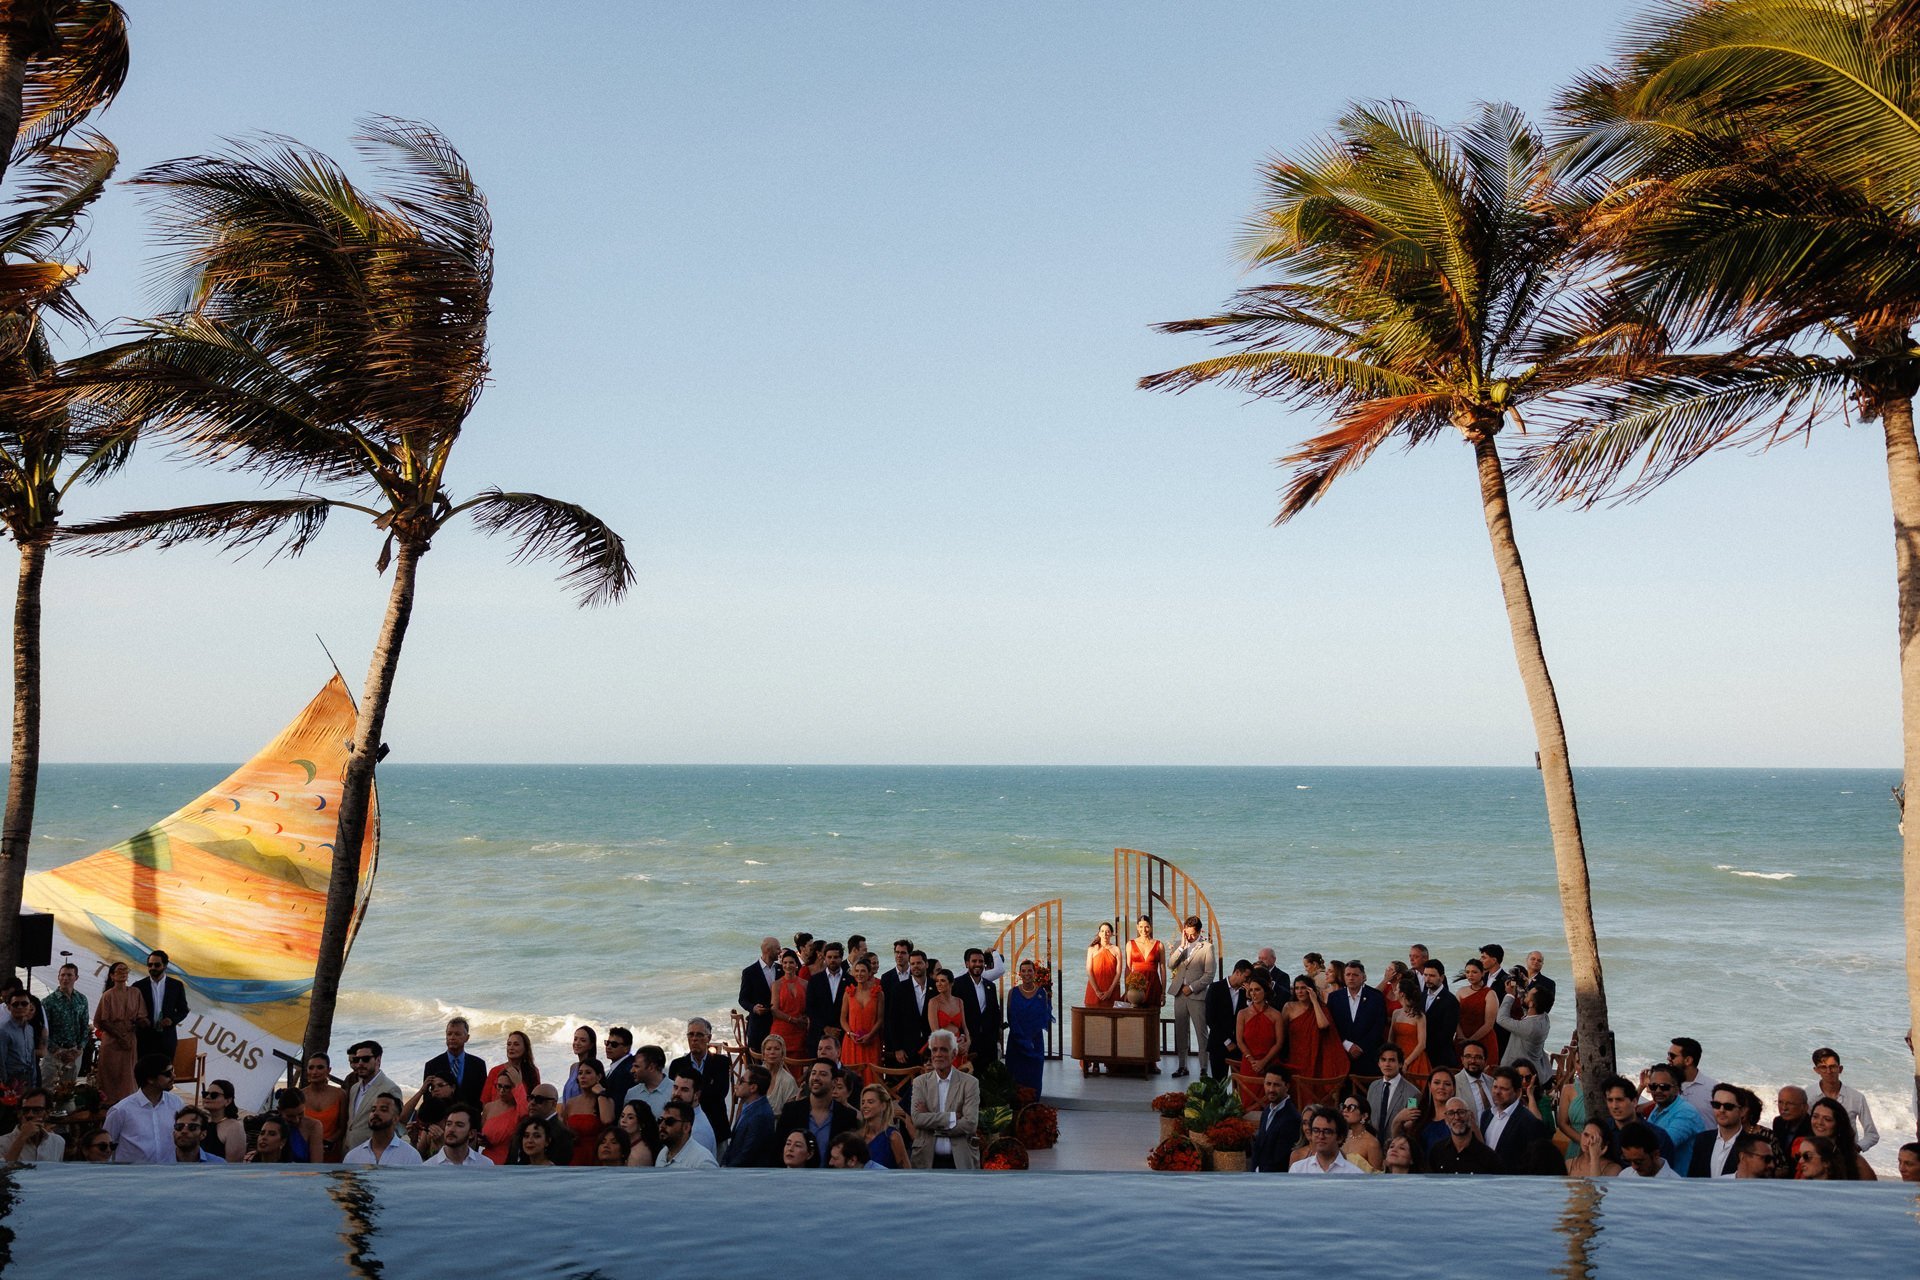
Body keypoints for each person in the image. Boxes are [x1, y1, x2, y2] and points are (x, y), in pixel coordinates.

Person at [909, 1030, 978, 1170]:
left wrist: (932, 1121)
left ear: (954, 1054)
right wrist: (951, 1117)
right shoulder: (920, 1083)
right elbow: (917, 1119)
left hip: (960, 1159)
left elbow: (970, 1123)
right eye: (934, 1050)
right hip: (926, 1159)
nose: (938, 1054)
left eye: (943, 1050)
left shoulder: (970, 1083)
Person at [779, 1061, 860, 1167]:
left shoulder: (847, 1116)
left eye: (823, 1074)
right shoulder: (791, 1110)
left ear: (834, 1082)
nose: (816, 1078)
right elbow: (778, 1149)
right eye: (813, 1073)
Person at [105, 1054, 182, 1163]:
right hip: (134, 1176)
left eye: (172, 1070)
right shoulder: (121, 1110)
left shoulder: (177, 1103)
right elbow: (105, 1147)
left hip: (168, 1174)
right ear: (150, 1079)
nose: (173, 1076)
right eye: (167, 1074)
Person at [1166, 916, 1214, 1078]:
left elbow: (1209, 975)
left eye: (1193, 934)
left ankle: (1203, 1068)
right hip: (1179, 994)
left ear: (1199, 931)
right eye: (1187, 933)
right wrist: (1181, 947)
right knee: (1181, 1031)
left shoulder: (1207, 948)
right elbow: (1171, 964)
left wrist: (1192, 988)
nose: (1190, 936)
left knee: (1201, 1032)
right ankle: (1182, 1066)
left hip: (1196, 995)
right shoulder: (1181, 945)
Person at [91, 961, 143, 1106]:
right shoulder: (107, 995)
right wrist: (120, 1037)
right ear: (112, 976)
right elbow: (103, 1021)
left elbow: (141, 1016)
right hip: (112, 1040)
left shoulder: (135, 992)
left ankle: (129, 1106)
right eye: (119, 971)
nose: (122, 973)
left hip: (129, 1038)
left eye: (125, 970)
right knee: (110, 1076)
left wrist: (141, 1024)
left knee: (128, 1075)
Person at [1810, 1047, 1880, 1152]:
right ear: (1816, 1070)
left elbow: (1872, 1134)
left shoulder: (1856, 1097)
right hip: (1816, 1155)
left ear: (1840, 1069)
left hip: (1847, 1156)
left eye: (1832, 1067)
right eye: (1823, 1067)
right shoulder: (1808, 1095)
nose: (1828, 1071)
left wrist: (1857, 1148)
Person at [1483, 1065, 1550, 1174]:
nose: (1497, 1092)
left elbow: (1536, 1163)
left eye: (1504, 1089)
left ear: (1518, 1092)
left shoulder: (1529, 1123)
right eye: (1495, 1087)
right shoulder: (1486, 1116)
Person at [1230, 974, 1282, 1109]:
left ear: (1265, 991)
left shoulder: (1276, 1015)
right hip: (1249, 1064)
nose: (1253, 993)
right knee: (1247, 1103)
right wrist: (1251, 1060)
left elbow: (1279, 1042)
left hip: (1270, 1064)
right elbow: (1239, 1040)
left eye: (1257, 989)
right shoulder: (1243, 1014)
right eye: (1251, 990)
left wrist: (1263, 1062)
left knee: (1270, 1103)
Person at [341, 1040, 402, 1155]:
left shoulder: (390, 1089)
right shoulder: (354, 1088)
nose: (360, 1063)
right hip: (349, 1153)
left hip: (373, 1154)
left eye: (365, 1059)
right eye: (356, 1059)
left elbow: (393, 1125)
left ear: (378, 1060)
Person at [1642, 1063, 1704, 1172]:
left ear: (1676, 1089)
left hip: (1679, 1182)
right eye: (1653, 1086)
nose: (1658, 1091)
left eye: (1664, 1087)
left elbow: (1663, 1145)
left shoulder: (1686, 1112)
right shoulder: (1658, 1107)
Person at [1004, 959, 1053, 1096]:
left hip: (1035, 1042)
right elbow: (1011, 1017)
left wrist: (1030, 1040)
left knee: (1034, 1077)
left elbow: (1044, 1017)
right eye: (1023, 971)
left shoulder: (1042, 993)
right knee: (1015, 1077)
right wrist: (1021, 1039)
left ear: (1034, 972)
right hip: (1016, 1042)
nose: (1026, 974)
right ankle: (1016, 1110)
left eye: (1029, 970)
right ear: (1019, 973)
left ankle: (1033, 1108)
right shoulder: (1012, 992)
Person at [131, 949, 188, 1065]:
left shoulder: (176, 986)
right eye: (150, 965)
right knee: (144, 1075)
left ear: (165, 965)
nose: (153, 968)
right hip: (144, 1039)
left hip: (166, 1039)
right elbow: (131, 1010)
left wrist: (171, 1020)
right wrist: (140, 1020)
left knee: (163, 1074)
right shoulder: (138, 986)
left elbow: (183, 1010)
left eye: (157, 965)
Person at [1328, 960, 1387, 1068]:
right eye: (1348, 974)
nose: (1351, 978)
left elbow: (1379, 1025)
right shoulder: (1334, 998)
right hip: (1342, 1053)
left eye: (1355, 975)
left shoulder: (1375, 997)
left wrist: (1361, 1047)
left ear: (1363, 977)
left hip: (1369, 1053)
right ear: (1344, 976)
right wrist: (1348, 1045)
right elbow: (1332, 1025)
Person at [39, 962, 86, 1098]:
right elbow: (44, 1030)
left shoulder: (82, 1000)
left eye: (69, 975)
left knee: (68, 1090)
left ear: (76, 978)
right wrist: (57, 1051)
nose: (65, 978)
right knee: (48, 1089)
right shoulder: (48, 1002)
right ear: (58, 977)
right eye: (63, 975)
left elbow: (84, 1026)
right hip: (53, 1054)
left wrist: (79, 1049)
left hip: (74, 1053)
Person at [882, 949, 932, 1069]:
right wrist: (897, 1048)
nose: (915, 966)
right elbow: (893, 1020)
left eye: (919, 963)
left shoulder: (935, 987)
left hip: (930, 1045)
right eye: (913, 964)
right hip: (907, 1046)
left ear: (926, 964)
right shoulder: (899, 988)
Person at [343, 1091, 422, 1166]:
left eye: (383, 1110)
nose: (376, 1113)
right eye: (373, 1110)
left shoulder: (410, 1156)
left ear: (395, 1119)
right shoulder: (352, 1157)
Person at [560, 1056, 614, 1166]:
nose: (583, 1077)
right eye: (580, 1073)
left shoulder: (606, 1100)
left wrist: (600, 1094)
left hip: (595, 1154)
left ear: (598, 1076)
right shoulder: (571, 1102)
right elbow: (563, 1128)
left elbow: (607, 1120)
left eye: (588, 1073)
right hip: (574, 1154)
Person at [839, 956, 884, 1085]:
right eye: (857, 971)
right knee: (850, 1081)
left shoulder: (878, 993)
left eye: (863, 971)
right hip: (852, 1042)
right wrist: (849, 1033)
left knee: (872, 1079)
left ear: (870, 973)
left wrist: (870, 1035)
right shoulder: (849, 993)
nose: (859, 974)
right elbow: (842, 1019)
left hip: (871, 1041)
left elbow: (880, 1019)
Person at [424, 1016, 486, 1109]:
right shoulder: (432, 1065)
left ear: (467, 1038)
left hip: (470, 1117)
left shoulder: (478, 1064)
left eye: (457, 1034)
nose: (452, 1038)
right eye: (449, 1034)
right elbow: (428, 1097)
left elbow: (483, 1097)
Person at [955, 947, 1003, 1067]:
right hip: (968, 1041)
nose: (978, 964)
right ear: (967, 964)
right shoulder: (957, 985)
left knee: (988, 1079)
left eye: (981, 961)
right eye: (974, 961)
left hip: (988, 1042)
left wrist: (996, 1035)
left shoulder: (990, 986)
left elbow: (995, 1012)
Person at [1808, 1095, 1875, 1180]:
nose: (1819, 1122)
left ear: (1838, 1124)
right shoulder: (1805, 1154)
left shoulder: (1855, 1162)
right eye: (1815, 1116)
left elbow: (1871, 1190)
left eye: (1827, 1119)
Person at [723, 1065, 778, 1167]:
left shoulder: (761, 1116)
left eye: (741, 1081)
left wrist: (728, 1170)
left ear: (753, 1088)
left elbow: (748, 1153)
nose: (737, 1085)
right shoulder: (746, 1106)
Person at [1429, 1098, 1502, 1174]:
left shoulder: (1488, 1157)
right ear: (1446, 1120)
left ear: (1470, 1116)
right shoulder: (1437, 1152)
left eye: (1461, 1112)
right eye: (1451, 1113)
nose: (1457, 1117)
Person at [1688, 1083, 1746, 1178]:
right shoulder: (1702, 1139)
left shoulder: (1751, 1146)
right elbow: (1693, 1177)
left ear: (1742, 1111)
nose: (1721, 1110)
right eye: (1716, 1105)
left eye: (1728, 1106)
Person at [1248, 1070, 1301, 1173]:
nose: (1271, 1089)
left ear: (1287, 1086)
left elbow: (1280, 1159)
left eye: (1276, 1085)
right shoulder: (1267, 1111)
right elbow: (1259, 1146)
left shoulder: (1292, 1118)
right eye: (1268, 1084)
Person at [1206, 960, 1251, 1082]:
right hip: (1219, 1043)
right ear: (1237, 972)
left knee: (1241, 1082)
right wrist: (1227, 1041)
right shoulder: (1215, 988)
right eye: (1245, 977)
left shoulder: (1245, 992)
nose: (1247, 982)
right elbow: (1210, 1018)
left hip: (1239, 1044)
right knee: (1219, 1082)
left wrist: (1249, 998)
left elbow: (1249, 1016)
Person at [804, 941, 850, 1056]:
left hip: (842, 1035)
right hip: (818, 1035)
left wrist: (839, 1029)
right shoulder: (815, 980)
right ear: (824, 958)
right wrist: (825, 1028)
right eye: (829, 957)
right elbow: (810, 1008)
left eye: (836, 957)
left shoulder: (850, 981)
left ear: (841, 958)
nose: (832, 960)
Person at [1367, 1044, 1419, 1144]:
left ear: (1400, 1064)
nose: (1387, 1064)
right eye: (1383, 1060)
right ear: (1378, 1063)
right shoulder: (1373, 1087)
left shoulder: (1413, 1094)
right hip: (1372, 1145)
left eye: (1392, 1060)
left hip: (1397, 1146)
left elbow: (1410, 1125)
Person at [1290, 1105, 1364, 1174]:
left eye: (1327, 1132)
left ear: (1340, 1138)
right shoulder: (1298, 1169)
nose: (1321, 1136)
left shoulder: (1354, 1174)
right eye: (1316, 1131)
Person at [480, 1060, 528, 1165]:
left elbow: (525, 1113)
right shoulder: (489, 1107)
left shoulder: (518, 1109)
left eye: (507, 1087)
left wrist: (518, 1084)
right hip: (486, 1158)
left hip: (509, 1159)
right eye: (499, 1086)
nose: (502, 1090)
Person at [302, 1052, 348, 1160]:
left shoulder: (340, 1094)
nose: (314, 1072)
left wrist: (328, 1142)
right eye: (311, 1068)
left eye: (320, 1067)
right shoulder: (300, 1095)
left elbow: (343, 1127)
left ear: (328, 1070)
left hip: (331, 1151)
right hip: (305, 1152)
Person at [1387, 971, 1430, 1083]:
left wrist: (1406, 1062)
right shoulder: (1396, 1013)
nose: (1394, 991)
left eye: (1396, 989)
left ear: (1402, 994)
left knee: (1413, 1095)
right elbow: (1391, 1039)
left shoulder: (1419, 1016)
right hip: (1398, 1057)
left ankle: (1414, 1102)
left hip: (1414, 1058)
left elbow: (1422, 1044)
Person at [1417, 960, 1460, 1072]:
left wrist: (1424, 1045)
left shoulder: (1450, 1001)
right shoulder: (1421, 996)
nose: (1427, 979)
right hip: (1421, 1054)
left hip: (1440, 1057)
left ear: (1441, 978)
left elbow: (1447, 1033)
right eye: (1425, 975)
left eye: (1432, 975)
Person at [1455, 959, 1500, 1064]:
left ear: (1483, 973)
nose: (1470, 975)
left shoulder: (1490, 994)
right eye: (1467, 972)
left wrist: (1470, 1040)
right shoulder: (1461, 991)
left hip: (1483, 1039)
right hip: (1461, 1038)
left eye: (1474, 972)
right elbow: (1455, 1017)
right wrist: (1461, 1035)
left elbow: (1489, 1024)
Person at [740, 936, 781, 1051]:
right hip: (758, 1026)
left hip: (778, 1024)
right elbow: (742, 999)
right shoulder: (749, 972)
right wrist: (753, 1008)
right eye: (777, 949)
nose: (780, 951)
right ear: (768, 950)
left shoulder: (781, 970)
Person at [1496, 983, 1551, 1069]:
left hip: (1519, 1071)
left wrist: (1510, 995)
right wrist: (1522, 986)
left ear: (1531, 1004)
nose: (1526, 994)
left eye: (1528, 994)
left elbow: (1501, 1019)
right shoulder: (1544, 1017)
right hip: (1536, 1065)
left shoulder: (1530, 1027)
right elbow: (1528, 1010)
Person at [925, 968, 970, 1071]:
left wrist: (968, 1043)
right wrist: (955, 1046)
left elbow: (964, 1027)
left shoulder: (959, 1001)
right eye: (937, 981)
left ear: (951, 983)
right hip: (942, 1046)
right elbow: (935, 1031)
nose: (938, 984)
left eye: (942, 981)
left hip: (959, 1045)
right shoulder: (933, 1002)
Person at [1, 1087, 62, 1162]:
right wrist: (22, 1137)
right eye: (25, 1110)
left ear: (47, 1113)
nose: (30, 1115)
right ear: (19, 1114)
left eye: (37, 1110)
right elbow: (3, 1170)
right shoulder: (3, 1143)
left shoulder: (57, 1142)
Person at [857, 1082, 909, 1169]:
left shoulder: (893, 1137)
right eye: (863, 1103)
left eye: (870, 1102)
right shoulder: (859, 1136)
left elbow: (906, 1172)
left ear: (883, 1106)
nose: (864, 1106)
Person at [1667, 1037, 1717, 1125]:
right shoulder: (1666, 1086)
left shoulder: (1713, 1089)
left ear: (1688, 1060)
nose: (1668, 1058)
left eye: (1672, 1056)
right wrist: (1642, 1086)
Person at [655, 1099, 718, 1169]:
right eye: (660, 1120)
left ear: (686, 1127)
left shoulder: (702, 1162)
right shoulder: (663, 1154)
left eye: (670, 1121)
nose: (662, 1125)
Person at [424, 1102, 490, 1167]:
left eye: (459, 1125)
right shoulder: (429, 1166)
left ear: (471, 1133)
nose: (451, 1129)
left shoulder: (485, 1164)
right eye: (448, 1124)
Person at [772, 950, 810, 1059]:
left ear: (796, 965)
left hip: (800, 1031)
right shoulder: (776, 985)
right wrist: (792, 1020)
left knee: (799, 1065)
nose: (788, 966)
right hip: (781, 1030)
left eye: (791, 962)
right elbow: (774, 1010)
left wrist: (806, 1020)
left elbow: (809, 1007)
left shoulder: (805, 984)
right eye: (785, 963)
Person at [1123, 916, 1165, 1013]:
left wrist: (1163, 993)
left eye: (1146, 927)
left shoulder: (1159, 945)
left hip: (1153, 983)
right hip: (1136, 984)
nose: (1144, 930)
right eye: (1141, 927)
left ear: (1151, 927)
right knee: (1135, 1017)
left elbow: (1162, 969)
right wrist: (1126, 990)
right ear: (1137, 927)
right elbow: (1128, 968)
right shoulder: (1130, 944)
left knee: (1153, 1016)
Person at [0, 990, 39, 1092]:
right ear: (9, 1007)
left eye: (24, 1003)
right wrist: (5, 1084)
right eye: (15, 1004)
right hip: (11, 1080)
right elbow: (1, 1060)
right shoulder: (3, 1030)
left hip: (28, 1079)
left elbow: (32, 1056)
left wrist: (34, 1081)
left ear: (30, 1006)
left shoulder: (30, 1029)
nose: (20, 1007)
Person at [1771, 1085, 1814, 1176]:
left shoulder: (1813, 1126)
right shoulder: (1778, 1122)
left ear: (1804, 1107)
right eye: (1780, 1102)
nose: (1784, 1108)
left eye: (1789, 1103)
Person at [201, 1078, 247, 1163]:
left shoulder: (234, 1127)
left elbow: (232, 1166)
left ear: (228, 1101)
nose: (207, 1097)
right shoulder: (201, 1123)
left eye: (214, 1095)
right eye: (205, 1094)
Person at [276, 1087, 327, 1164]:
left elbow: (316, 1164)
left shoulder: (313, 1126)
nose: (296, 1120)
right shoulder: (271, 1125)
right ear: (279, 1111)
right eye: (290, 1116)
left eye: (300, 1114)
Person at [1418, 1067, 1460, 1152]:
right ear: (1429, 1086)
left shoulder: (1461, 1118)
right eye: (1437, 1083)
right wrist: (1397, 1122)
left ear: (1454, 1089)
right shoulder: (1421, 1116)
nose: (1441, 1087)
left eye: (1447, 1084)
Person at [1084, 922, 1122, 1012]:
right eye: (1102, 931)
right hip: (1094, 988)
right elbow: (1089, 971)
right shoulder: (1092, 949)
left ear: (1112, 934)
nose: (1105, 934)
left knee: (1112, 1019)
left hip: (1112, 989)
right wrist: (1097, 991)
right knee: (1093, 1018)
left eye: (1108, 931)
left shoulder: (1116, 949)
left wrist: (1110, 991)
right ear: (1099, 933)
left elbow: (1118, 972)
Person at [626, 1044, 671, 1119]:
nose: (632, 1070)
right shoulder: (631, 1093)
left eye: (636, 1066)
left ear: (651, 1067)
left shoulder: (675, 1092)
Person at [760, 1035, 801, 1111]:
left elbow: (790, 1112)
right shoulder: (755, 1075)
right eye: (768, 1049)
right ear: (763, 1054)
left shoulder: (788, 1081)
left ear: (782, 1054)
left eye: (777, 1049)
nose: (772, 1052)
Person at [560, 1025, 599, 1102]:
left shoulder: (593, 1068)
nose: (577, 1043)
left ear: (591, 1045)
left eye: (583, 1040)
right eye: (575, 1039)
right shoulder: (574, 1067)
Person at [602, 1027, 637, 1110]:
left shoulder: (625, 1071)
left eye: (614, 1044)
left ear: (626, 1048)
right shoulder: (620, 1065)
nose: (608, 1047)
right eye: (607, 1043)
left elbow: (618, 1103)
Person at [618, 1100, 660, 1167]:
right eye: (622, 1116)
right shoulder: (628, 1144)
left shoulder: (638, 1155)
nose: (623, 1120)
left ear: (641, 1123)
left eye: (630, 1117)